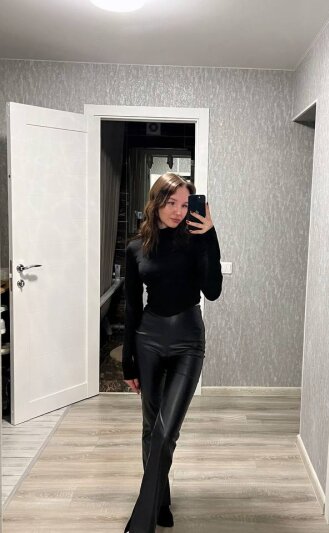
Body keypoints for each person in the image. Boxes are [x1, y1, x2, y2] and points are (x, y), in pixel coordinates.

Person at [122, 172, 223, 533]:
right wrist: (128, 362)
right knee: (151, 428)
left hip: (187, 341)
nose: (179, 211)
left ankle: (142, 521)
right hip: (148, 339)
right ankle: (160, 499)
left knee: (166, 432)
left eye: (185, 204)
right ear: (156, 202)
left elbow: (213, 291)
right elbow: (132, 306)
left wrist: (210, 235)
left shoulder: (196, 241)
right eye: (171, 202)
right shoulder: (136, 247)